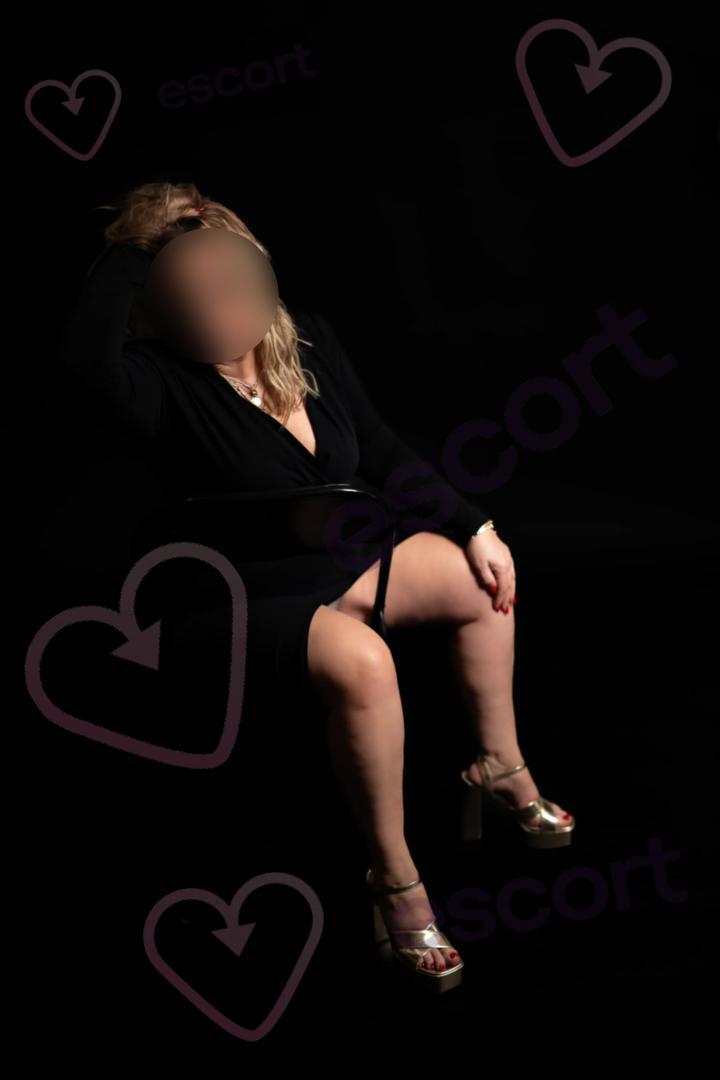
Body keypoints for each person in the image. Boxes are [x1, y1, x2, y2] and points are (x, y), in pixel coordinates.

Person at [58, 180, 575, 991]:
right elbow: (82, 363)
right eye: (185, 287)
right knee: (364, 662)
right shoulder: (152, 380)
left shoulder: (306, 342)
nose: (211, 301)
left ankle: (499, 767)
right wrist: (140, 246)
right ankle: (396, 881)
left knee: (477, 580)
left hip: (328, 567)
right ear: (158, 298)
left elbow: (378, 445)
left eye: (222, 277)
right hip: (227, 598)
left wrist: (475, 523)